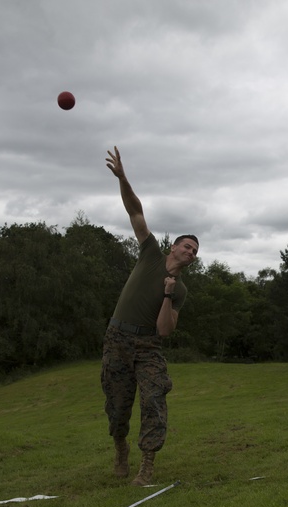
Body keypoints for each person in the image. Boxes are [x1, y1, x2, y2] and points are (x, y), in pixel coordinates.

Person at [102, 146, 199, 486]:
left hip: (147, 346)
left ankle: (147, 465)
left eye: (194, 252)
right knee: (117, 407)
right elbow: (135, 212)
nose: (190, 252)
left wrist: (169, 292)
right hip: (116, 339)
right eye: (186, 246)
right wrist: (123, 178)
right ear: (173, 247)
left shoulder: (181, 290)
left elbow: (164, 330)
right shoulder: (150, 254)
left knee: (154, 398)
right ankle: (120, 449)